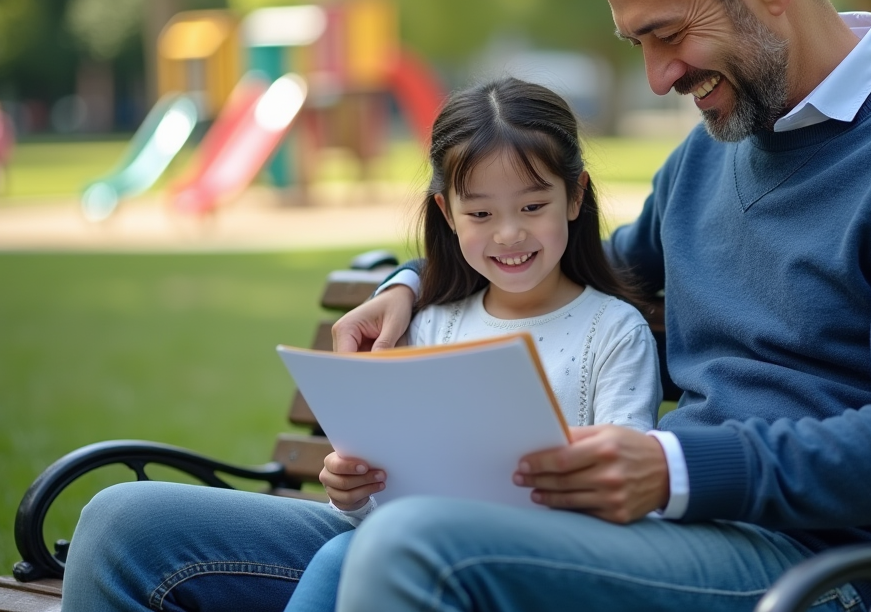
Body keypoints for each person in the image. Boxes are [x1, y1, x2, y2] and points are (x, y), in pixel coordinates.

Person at [59, 0, 871, 612]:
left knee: (414, 545)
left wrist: (672, 465)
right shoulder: (713, 149)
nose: (660, 77)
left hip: (817, 566)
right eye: (640, 44)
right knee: (126, 524)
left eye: (668, 34)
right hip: (654, 539)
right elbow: (577, 267)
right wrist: (413, 283)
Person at [282, 77, 661, 612]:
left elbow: (628, 490)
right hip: (417, 559)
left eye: (533, 207)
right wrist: (353, 491)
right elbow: (386, 507)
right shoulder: (432, 327)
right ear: (446, 212)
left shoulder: (613, 332)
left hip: (548, 571)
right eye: (481, 214)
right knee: (346, 551)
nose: (508, 234)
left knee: (342, 559)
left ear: (575, 196)